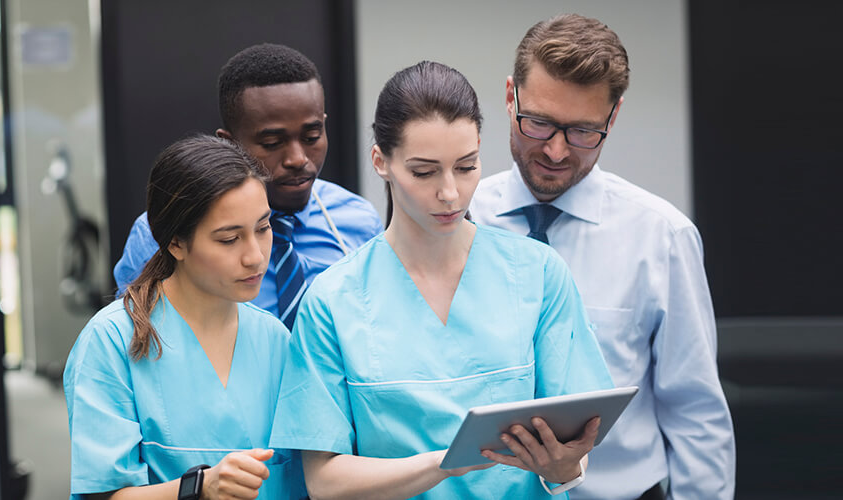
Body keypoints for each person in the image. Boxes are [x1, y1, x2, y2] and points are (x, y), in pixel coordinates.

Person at [269, 61, 614, 499]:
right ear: (381, 161)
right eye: (424, 172)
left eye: (466, 166)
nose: (450, 193)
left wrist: (566, 465)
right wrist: (446, 463)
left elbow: (573, 440)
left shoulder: (539, 274)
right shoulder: (333, 300)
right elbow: (323, 481)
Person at [470, 14, 735, 500]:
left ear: (612, 119)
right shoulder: (461, 220)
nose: (555, 150)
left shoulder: (663, 237)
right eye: (539, 123)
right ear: (510, 97)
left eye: (582, 132)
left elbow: (695, 411)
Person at [64, 135, 305, 500]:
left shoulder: (274, 339)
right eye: (229, 239)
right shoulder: (110, 342)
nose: (255, 256)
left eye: (263, 228)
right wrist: (200, 489)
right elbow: (103, 494)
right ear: (175, 242)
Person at [113, 43, 383, 329]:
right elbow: (136, 341)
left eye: (312, 136)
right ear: (229, 143)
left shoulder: (358, 221)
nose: (297, 159)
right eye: (271, 143)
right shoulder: (162, 231)